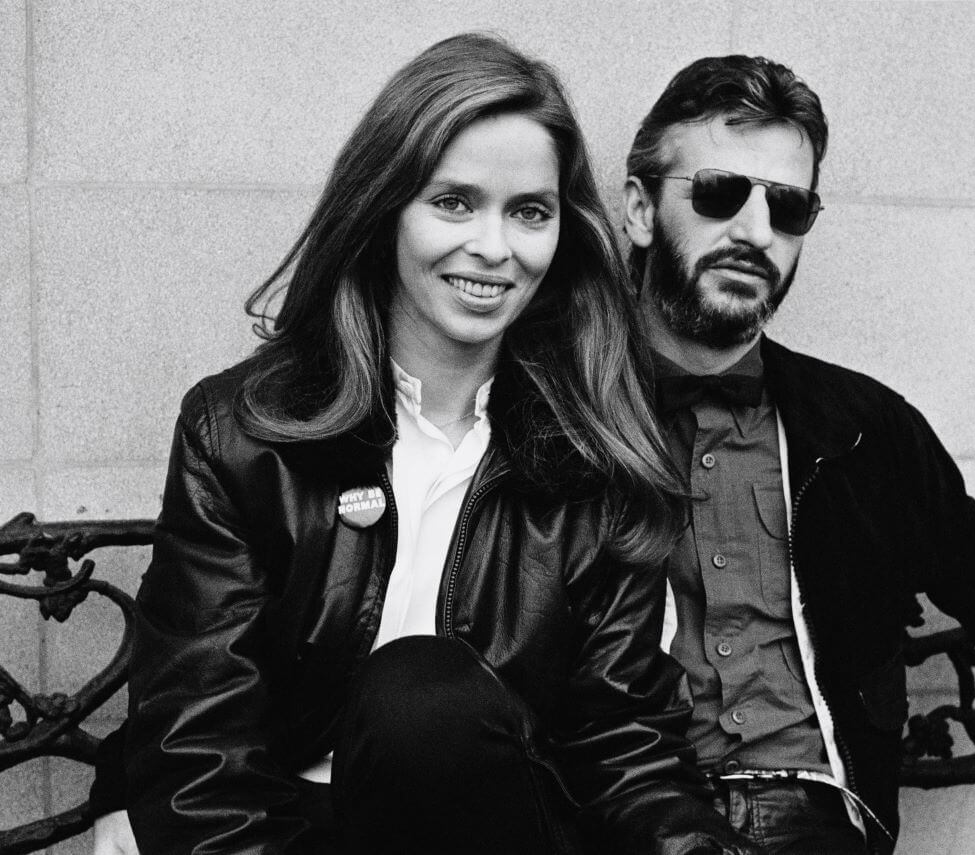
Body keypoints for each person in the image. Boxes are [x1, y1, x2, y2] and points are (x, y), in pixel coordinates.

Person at [90, 33, 754, 855]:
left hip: (499, 829)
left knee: (425, 698)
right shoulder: (244, 433)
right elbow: (198, 742)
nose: (494, 247)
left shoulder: (594, 453)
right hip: (286, 834)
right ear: (385, 209)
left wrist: (693, 844)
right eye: (453, 202)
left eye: (529, 212)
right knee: (416, 691)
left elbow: (623, 741)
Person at [622, 54, 975, 854]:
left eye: (787, 208)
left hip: (814, 817)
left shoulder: (861, 431)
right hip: (622, 809)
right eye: (720, 193)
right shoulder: (558, 415)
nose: (755, 231)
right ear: (640, 209)